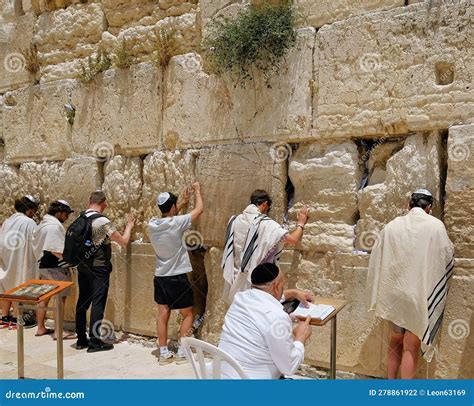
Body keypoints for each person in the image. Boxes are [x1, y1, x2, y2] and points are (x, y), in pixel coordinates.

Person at [366, 189, 454, 379]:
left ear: (409, 204)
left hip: (393, 294)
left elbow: (378, 255)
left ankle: (390, 382)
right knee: (411, 345)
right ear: (429, 207)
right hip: (416, 294)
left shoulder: (392, 226)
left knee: (395, 339)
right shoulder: (435, 226)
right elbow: (446, 254)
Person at [219, 263, 312, 379]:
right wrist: (300, 337)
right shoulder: (278, 317)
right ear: (276, 286)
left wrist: (293, 293)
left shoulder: (239, 298)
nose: (283, 287)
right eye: (283, 283)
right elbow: (289, 367)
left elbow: (265, 297)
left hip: (223, 376)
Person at [148, 182, 203, 365]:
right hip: (178, 276)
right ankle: (182, 351)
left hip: (161, 276)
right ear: (172, 207)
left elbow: (168, 219)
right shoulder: (177, 222)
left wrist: (179, 205)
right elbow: (199, 210)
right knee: (188, 314)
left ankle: (163, 353)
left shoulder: (152, 224)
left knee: (163, 314)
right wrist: (196, 190)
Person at [222, 189, 309, 304]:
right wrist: (301, 224)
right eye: (267, 209)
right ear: (264, 204)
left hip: (235, 278)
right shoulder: (265, 223)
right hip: (252, 282)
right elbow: (292, 240)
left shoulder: (235, 220)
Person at [75, 190, 134, 352]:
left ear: (90, 201)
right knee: (98, 302)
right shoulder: (101, 221)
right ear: (104, 203)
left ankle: (81, 339)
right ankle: (94, 342)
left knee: (83, 301)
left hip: (82, 266)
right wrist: (129, 227)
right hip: (99, 267)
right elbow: (123, 242)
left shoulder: (81, 217)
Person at [33, 200, 76, 339]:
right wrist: (72, 261)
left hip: (43, 266)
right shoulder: (53, 227)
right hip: (56, 267)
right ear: (60, 212)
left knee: (44, 297)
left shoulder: (43, 224)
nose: (67, 217)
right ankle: (58, 331)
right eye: (66, 214)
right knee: (60, 298)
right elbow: (56, 250)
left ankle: (40, 328)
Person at [0, 196, 40, 329]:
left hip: (7, 258)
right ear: (29, 209)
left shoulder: (7, 221)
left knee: (6, 286)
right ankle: (19, 318)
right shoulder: (29, 222)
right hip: (21, 260)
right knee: (20, 283)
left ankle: (5, 317)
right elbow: (36, 243)